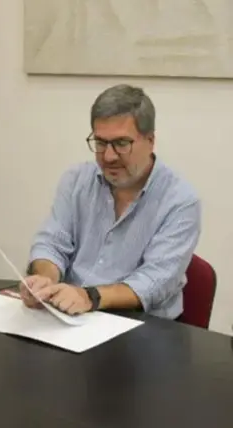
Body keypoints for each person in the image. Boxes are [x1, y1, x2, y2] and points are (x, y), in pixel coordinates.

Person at [21, 84, 201, 319]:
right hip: (72, 317)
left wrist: (90, 297)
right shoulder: (76, 180)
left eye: (121, 143)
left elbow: (154, 281)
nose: (108, 156)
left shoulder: (181, 201)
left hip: (141, 325)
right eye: (101, 143)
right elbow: (52, 242)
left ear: (150, 141)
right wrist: (45, 280)